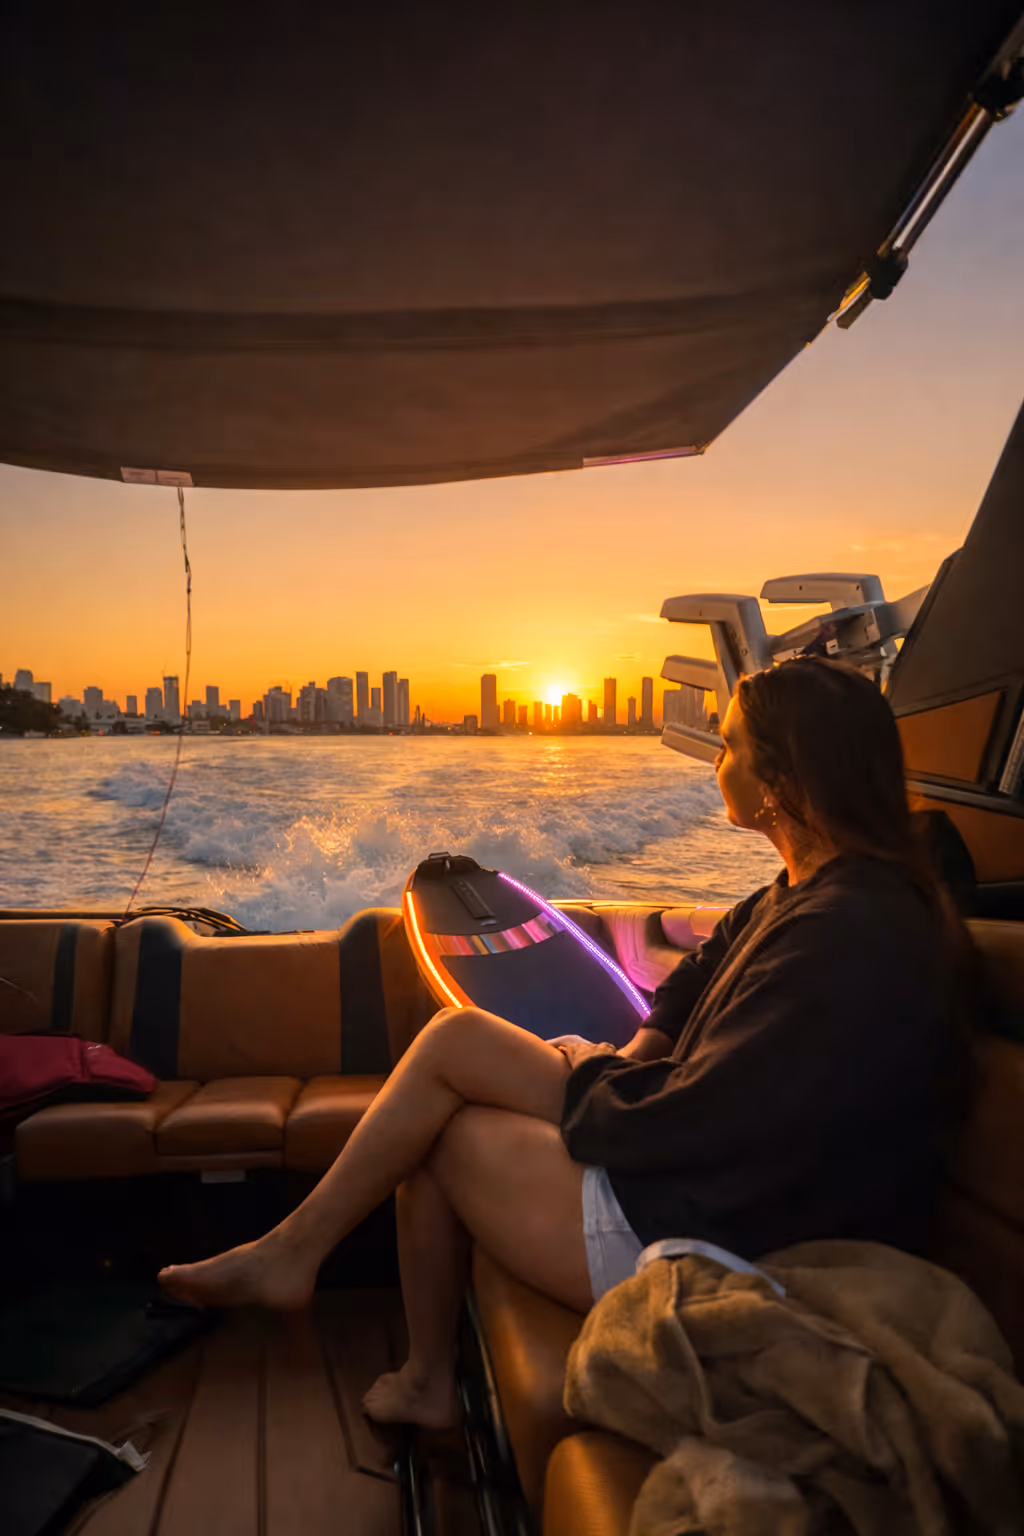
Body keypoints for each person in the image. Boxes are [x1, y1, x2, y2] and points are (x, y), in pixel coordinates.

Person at [159, 658, 965, 1430]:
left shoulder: (846, 933)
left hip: (715, 1235)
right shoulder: (807, 891)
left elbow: (705, 1115)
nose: (716, 765)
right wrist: (637, 1052)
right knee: (459, 1046)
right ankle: (357, 1317)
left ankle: (353, 1314)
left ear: (783, 782)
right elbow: (695, 981)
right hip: (706, 1177)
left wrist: (594, 1078)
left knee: (442, 1113)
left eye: (728, 747)